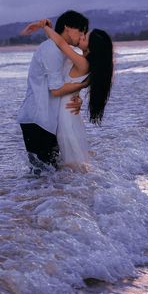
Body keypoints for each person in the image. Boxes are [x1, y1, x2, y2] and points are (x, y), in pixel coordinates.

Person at [21, 18, 114, 171]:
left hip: (65, 112)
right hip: (66, 108)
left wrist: (45, 27)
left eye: (85, 37)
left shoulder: (82, 62)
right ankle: (68, 189)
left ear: (92, 47)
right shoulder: (84, 62)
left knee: (69, 158)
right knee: (66, 157)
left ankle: (70, 189)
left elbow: (61, 44)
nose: (82, 36)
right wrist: (79, 92)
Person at [17, 10, 89, 174]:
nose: (82, 35)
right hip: (38, 120)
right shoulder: (51, 50)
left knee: (50, 176)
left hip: (49, 120)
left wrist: (77, 97)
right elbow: (56, 90)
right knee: (42, 176)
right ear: (68, 28)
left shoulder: (61, 51)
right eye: (80, 31)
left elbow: (67, 81)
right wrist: (84, 84)